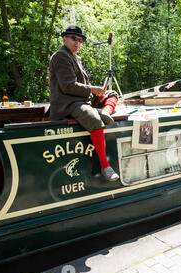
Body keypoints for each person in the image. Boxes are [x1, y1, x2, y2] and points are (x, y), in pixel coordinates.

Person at [49, 25, 119, 181]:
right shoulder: (60, 56)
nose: (78, 43)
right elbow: (68, 86)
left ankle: (105, 112)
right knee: (93, 118)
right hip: (67, 102)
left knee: (112, 94)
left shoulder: (73, 57)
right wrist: (93, 89)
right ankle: (105, 166)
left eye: (80, 40)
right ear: (64, 39)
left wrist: (97, 93)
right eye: (74, 39)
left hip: (81, 99)